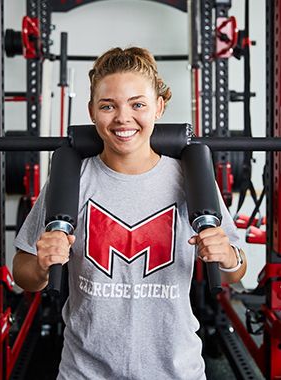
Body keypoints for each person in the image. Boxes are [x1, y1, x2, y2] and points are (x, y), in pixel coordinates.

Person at [12, 46, 246, 380]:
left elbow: (235, 272)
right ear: (92, 111)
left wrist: (229, 259)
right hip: (85, 371)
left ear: (159, 108)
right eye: (108, 106)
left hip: (175, 371)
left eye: (138, 104)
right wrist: (39, 263)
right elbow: (23, 275)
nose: (123, 118)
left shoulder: (191, 179)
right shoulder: (71, 181)